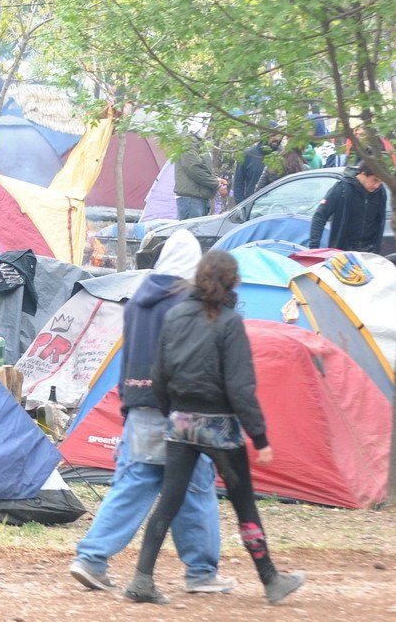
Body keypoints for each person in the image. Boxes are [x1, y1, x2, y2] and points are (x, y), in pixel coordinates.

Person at [125, 249, 305, 606]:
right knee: (244, 506)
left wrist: (172, 413)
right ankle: (271, 580)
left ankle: (142, 580)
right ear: (232, 282)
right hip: (221, 428)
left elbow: (159, 374)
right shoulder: (229, 322)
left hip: (180, 423)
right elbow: (240, 388)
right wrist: (260, 437)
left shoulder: (174, 315)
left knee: (168, 503)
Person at [69, 230, 234, 595]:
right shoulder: (188, 303)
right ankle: (202, 571)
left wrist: (128, 403)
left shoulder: (138, 301)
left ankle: (92, 558)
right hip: (180, 408)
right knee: (195, 486)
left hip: (140, 405)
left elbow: (128, 359)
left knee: (133, 484)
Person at [307, 163, 387, 252]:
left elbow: (380, 221)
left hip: (369, 252)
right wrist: (313, 248)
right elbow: (320, 216)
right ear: (363, 174)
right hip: (343, 251)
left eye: (380, 182)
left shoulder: (380, 193)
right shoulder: (343, 188)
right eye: (375, 180)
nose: (377, 186)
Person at [175, 137, 224, 220]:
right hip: (191, 199)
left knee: (198, 231)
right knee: (191, 231)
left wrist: (215, 179)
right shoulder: (188, 141)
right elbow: (193, 168)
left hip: (200, 198)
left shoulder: (201, 143)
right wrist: (216, 184)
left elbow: (203, 168)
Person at [233, 137, 277, 203]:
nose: (277, 138)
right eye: (273, 135)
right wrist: (243, 208)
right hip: (254, 207)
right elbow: (238, 185)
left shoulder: (284, 155)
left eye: (279, 135)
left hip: (278, 207)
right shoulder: (247, 155)